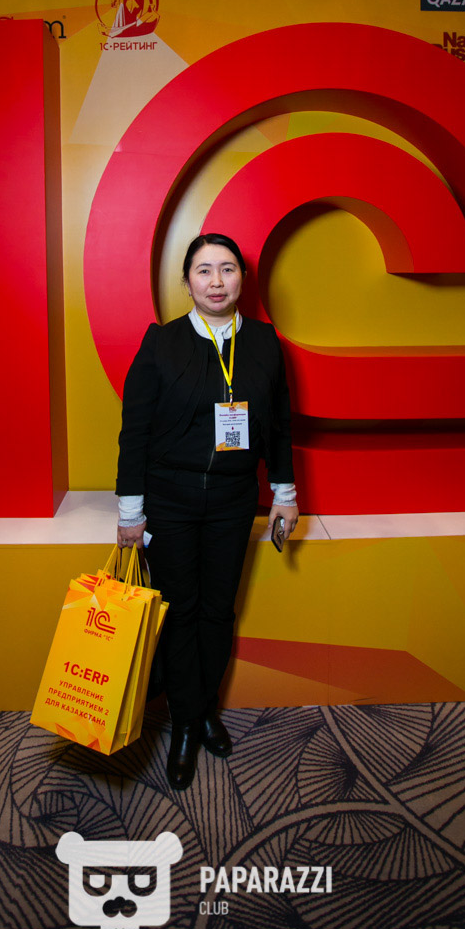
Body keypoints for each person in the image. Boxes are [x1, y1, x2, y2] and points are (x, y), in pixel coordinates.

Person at [116, 233, 298, 790]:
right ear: (187, 282)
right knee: (180, 612)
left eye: (227, 269)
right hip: (169, 502)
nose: (216, 282)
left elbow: (279, 426)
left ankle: (200, 711)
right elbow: (134, 432)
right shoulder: (161, 343)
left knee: (219, 612)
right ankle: (188, 723)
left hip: (232, 501)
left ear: (242, 277)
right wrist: (131, 512)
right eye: (203, 270)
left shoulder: (264, 343)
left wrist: (285, 495)